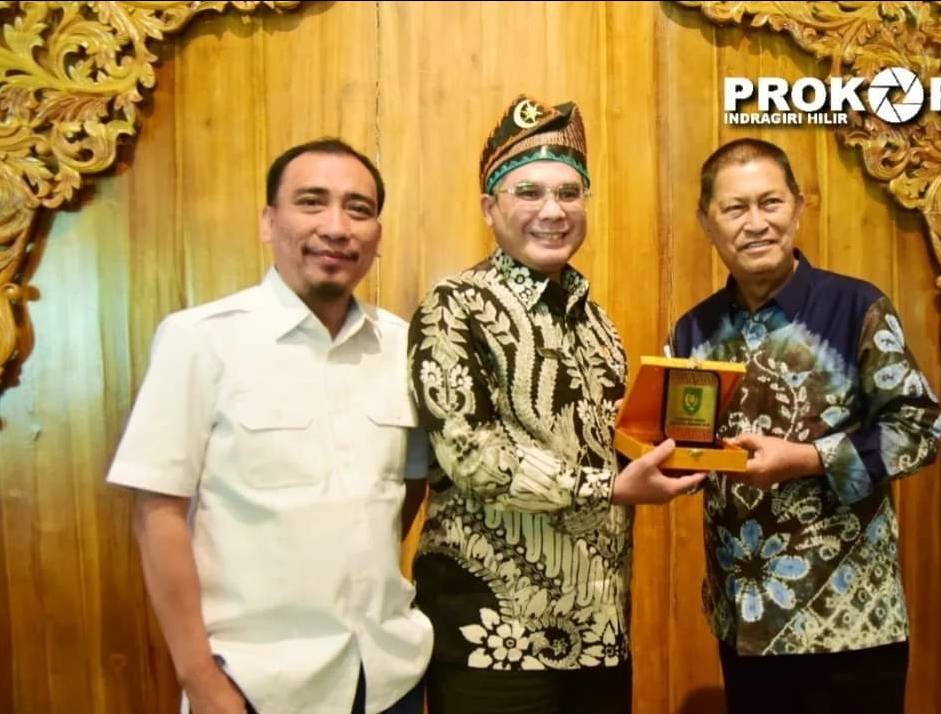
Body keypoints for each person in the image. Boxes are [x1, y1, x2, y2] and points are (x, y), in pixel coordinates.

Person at [106, 137, 433, 714]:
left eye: (358, 209)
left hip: (387, 675)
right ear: (268, 222)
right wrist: (200, 679)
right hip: (258, 685)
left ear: (377, 235)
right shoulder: (201, 339)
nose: (336, 227)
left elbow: (406, 487)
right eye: (311, 202)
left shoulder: (402, 346)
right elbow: (157, 511)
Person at [406, 94, 707, 714]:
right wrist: (614, 488)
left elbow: (615, 449)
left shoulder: (599, 323)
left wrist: (684, 454)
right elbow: (473, 457)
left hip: (600, 633)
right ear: (490, 207)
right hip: (493, 641)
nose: (553, 211)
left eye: (569, 193)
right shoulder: (454, 307)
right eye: (529, 192)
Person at [667, 137, 941, 714]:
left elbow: (919, 429)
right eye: (734, 208)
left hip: (851, 625)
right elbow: (685, 447)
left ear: (797, 207)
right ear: (707, 223)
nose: (756, 223)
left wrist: (809, 459)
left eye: (770, 202)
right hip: (744, 623)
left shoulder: (856, 307)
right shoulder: (694, 330)